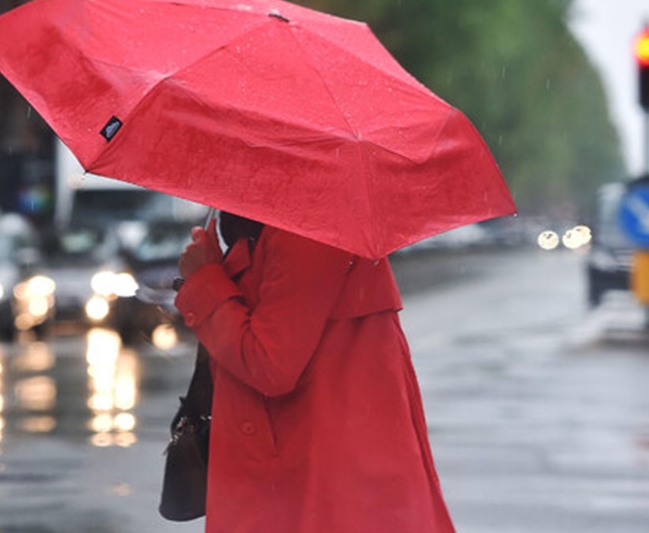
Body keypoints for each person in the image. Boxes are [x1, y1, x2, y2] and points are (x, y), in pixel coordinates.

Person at [175, 211, 456, 533]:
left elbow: (269, 364)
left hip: (323, 479)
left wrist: (205, 278)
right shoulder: (273, 224)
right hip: (312, 472)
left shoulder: (309, 226)